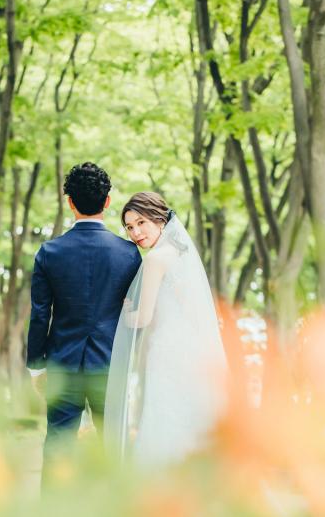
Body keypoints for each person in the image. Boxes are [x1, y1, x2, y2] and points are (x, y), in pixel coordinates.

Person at [26, 162, 142, 495]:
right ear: (107, 203)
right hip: (112, 365)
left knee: (59, 448)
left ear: (69, 202)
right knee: (115, 450)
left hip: (63, 365)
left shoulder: (49, 252)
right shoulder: (129, 254)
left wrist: (36, 368)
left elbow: (39, 315)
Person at [103, 191, 231, 468]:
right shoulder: (182, 256)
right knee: (189, 423)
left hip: (167, 356)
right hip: (193, 355)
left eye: (141, 223)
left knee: (164, 422)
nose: (135, 232)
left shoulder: (155, 259)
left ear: (160, 219)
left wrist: (125, 311)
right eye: (129, 227)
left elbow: (143, 318)